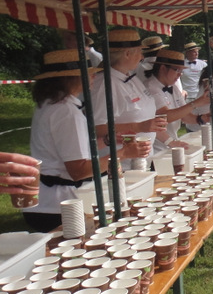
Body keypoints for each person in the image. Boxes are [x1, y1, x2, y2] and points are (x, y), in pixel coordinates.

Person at [25, 48, 149, 232]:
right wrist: (122, 154)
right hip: (59, 206)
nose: (93, 78)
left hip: (46, 201)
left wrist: (108, 141)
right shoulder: (67, 112)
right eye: (89, 74)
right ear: (71, 78)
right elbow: (78, 170)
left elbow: (68, 150)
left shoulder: (49, 105)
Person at [91, 28, 168, 170]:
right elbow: (97, 129)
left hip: (141, 162)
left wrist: (169, 140)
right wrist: (138, 127)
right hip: (120, 167)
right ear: (127, 54)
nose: (142, 57)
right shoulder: (105, 84)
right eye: (139, 52)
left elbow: (147, 119)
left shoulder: (130, 78)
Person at [143, 49, 208, 153]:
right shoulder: (150, 88)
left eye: (181, 71)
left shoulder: (174, 88)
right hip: (156, 148)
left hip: (172, 144)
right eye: (177, 70)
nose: (179, 75)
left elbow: (185, 117)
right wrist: (196, 103)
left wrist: (202, 118)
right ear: (163, 68)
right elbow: (165, 116)